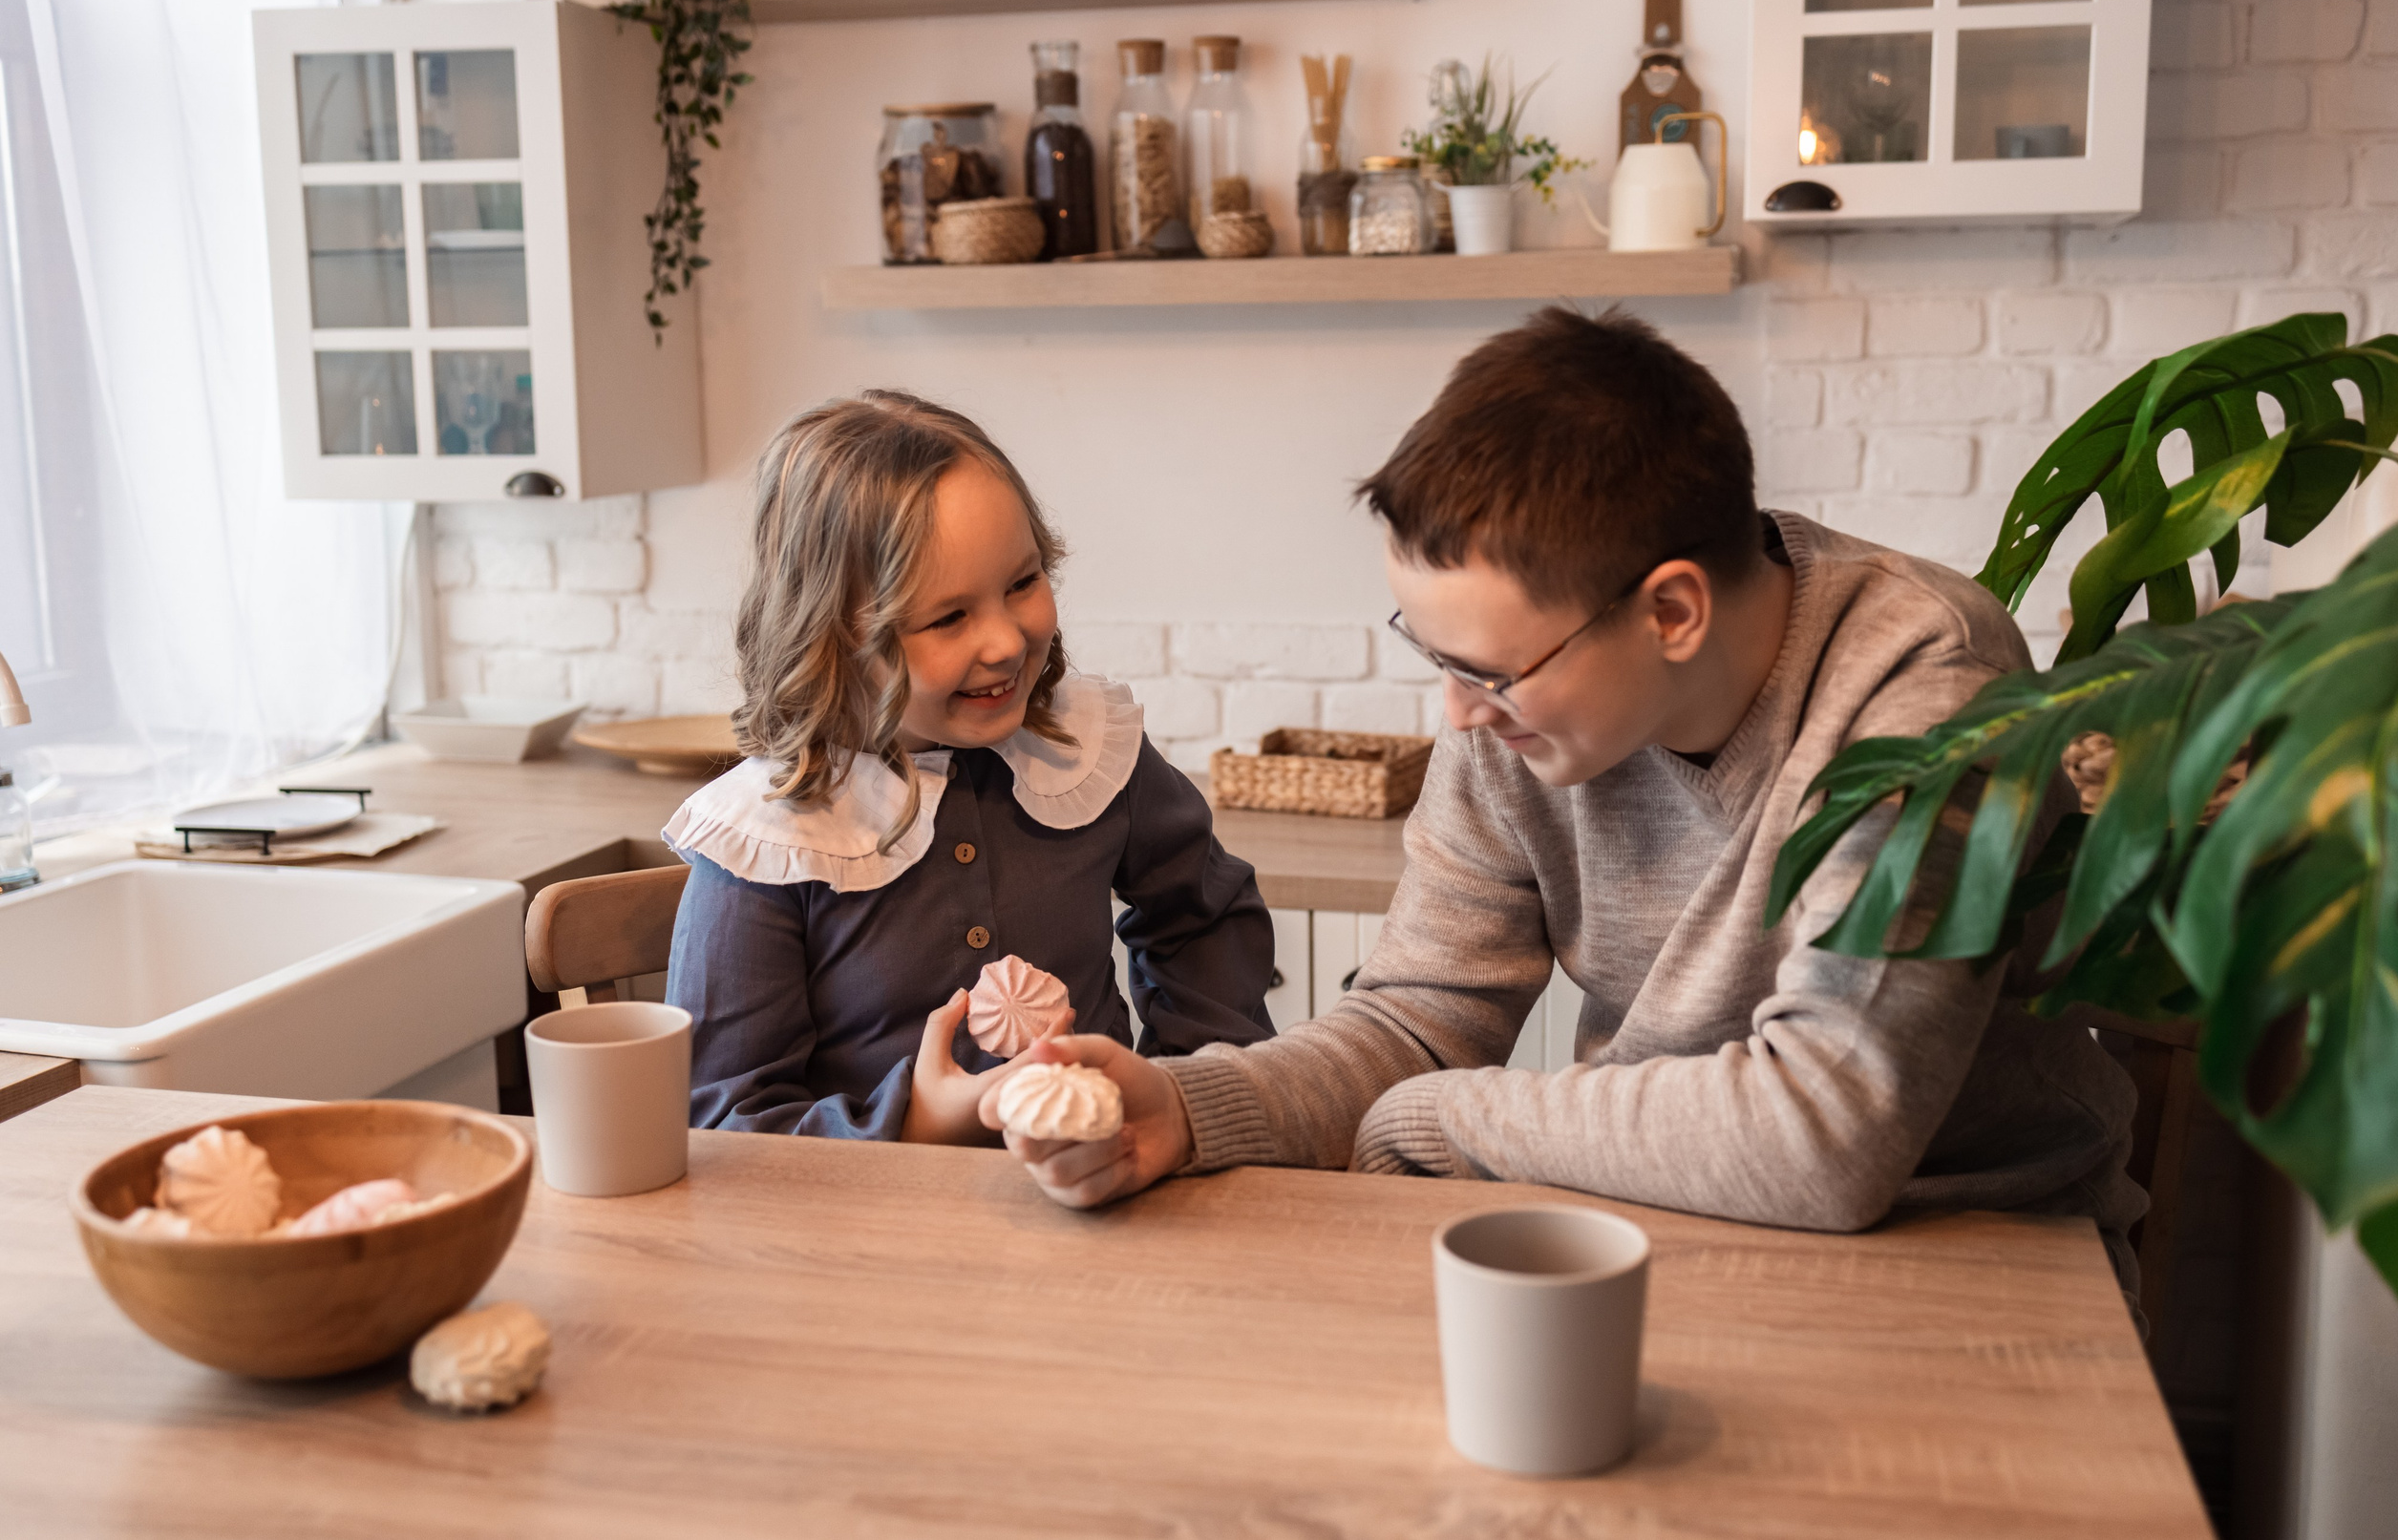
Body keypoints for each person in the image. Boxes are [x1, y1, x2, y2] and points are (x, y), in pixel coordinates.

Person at [988, 307, 2145, 1290]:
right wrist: (1187, 1111)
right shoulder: (1516, 705)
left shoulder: (1922, 687)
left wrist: (1434, 1121)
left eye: (1488, 673)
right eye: (1435, 657)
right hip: (1655, 1233)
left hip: (1976, 1262)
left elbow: (1823, 1136)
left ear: (1672, 612)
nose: (1457, 716)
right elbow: (1415, 1024)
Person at [663, 390, 1276, 1143]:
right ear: (830, 637)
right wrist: (913, 1120)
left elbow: (1202, 915)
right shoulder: (765, 842)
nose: (1006, 641)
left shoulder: (1085, 748)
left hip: (1106, 1194)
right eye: (949, 617)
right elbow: (724, 1121)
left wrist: (1185, 1087)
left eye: (1022, 582)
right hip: (873, 1239)